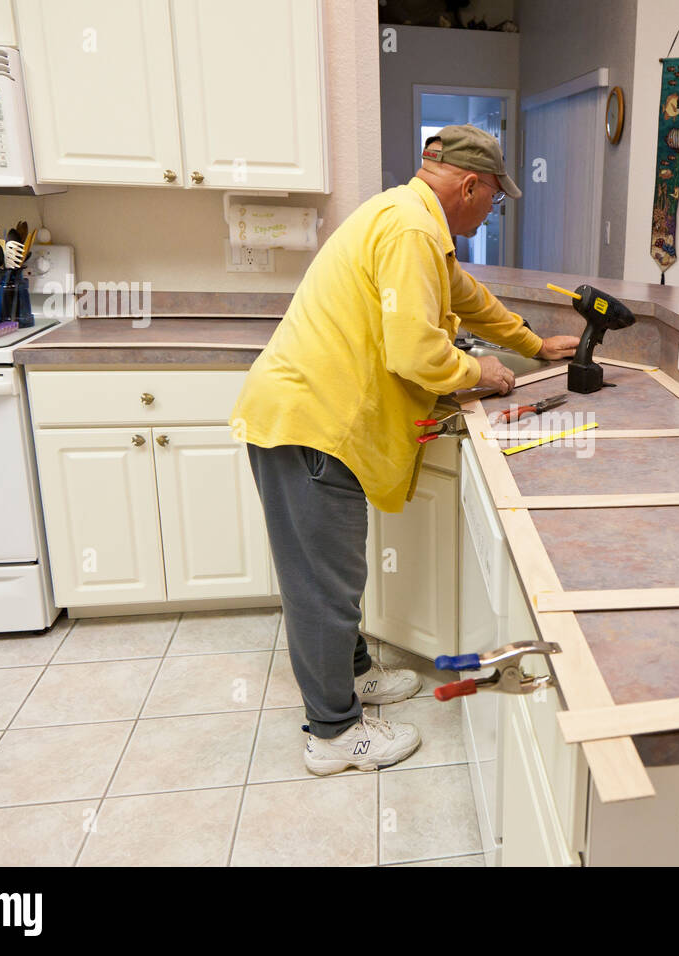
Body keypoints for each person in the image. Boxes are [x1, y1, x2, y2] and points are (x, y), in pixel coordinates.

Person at [230, 125, 579, 775]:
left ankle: (351, 675)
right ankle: (333, 734)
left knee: (336, 572)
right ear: (470, 186)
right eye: (493, 201)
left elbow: (465, 298)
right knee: (321, 587)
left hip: (317, 419)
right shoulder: (413, 230)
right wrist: (486, 374)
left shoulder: (414, 220)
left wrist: (532, 345)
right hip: (310, 425)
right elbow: (416, 352)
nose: (490, 212)